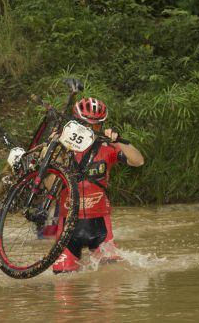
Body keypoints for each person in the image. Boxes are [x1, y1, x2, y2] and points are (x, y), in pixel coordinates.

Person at [53, 97, 144, 273]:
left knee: (110, 286)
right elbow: (49, 186)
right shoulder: (63, 150)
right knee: (62, 287)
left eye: (95, 126)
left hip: (100, 226)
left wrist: (118, 140)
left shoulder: (107, 147)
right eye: (86, 125)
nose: (90, 130)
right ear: (75, 123)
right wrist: (52, 148)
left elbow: (138, 161)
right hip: (68, 227)